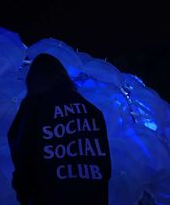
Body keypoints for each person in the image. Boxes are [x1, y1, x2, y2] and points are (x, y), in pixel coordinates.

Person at [7, 53, 111, 205]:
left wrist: (24, 193)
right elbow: (104, 164)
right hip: (92, 197)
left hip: (49, 196)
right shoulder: (92, 112)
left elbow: (21, 152)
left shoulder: (33, 107)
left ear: (34, 79)